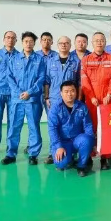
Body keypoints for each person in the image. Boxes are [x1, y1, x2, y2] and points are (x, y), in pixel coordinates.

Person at [1, 31, 46, 165]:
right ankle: (10, 154)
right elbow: (9, 78)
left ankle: (33, 154)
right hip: (17, 100)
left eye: (31, 41)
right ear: (22, 42)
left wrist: (29, 92)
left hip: (32, 100)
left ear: (34, 43)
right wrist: (19, 92)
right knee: (14, 127)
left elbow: (41, 78)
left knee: (34, 127)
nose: (28, 44)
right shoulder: (14, 59)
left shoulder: (39, 59)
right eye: (26, 41)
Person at [80, 32, 111, 170]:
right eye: (96, 40)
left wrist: (110, 94)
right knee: (90, 128)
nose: (99, 42)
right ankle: (90, 156)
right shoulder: (86, 60)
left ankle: (106, 157)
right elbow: (84, 81)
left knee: (107, 128)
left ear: (105, 42)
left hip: (107, 100)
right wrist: (91, 96)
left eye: (102, 40)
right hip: (91, 101)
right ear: (92, 43)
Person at [43, 36, 80, 164]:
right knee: (53, 125)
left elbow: (79, 82)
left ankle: (73, 152)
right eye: (61, 43)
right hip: (54, 98)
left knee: (72, 125)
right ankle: (52, 151)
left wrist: (78, 98)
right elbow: (47, 81)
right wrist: (47, 97)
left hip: (71, 99)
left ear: (70, 45)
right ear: (57, 45)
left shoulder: (76, 61)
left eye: (66, 43)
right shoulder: (50, 61)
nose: (64, 45)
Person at [48, 80, 95, 177]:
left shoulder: (82, 107)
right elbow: (52, 129)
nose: (69, 94)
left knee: (87, 140)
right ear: (61, 93)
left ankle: (81, 165)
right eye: (66, 91)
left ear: (76, 92)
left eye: (72, 91)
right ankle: (70, 158)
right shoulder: (55, 108)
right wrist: (58, 146)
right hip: (63, 142)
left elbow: (88, 126)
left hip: (77, 139)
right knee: (61, 164)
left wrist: (91, 143)